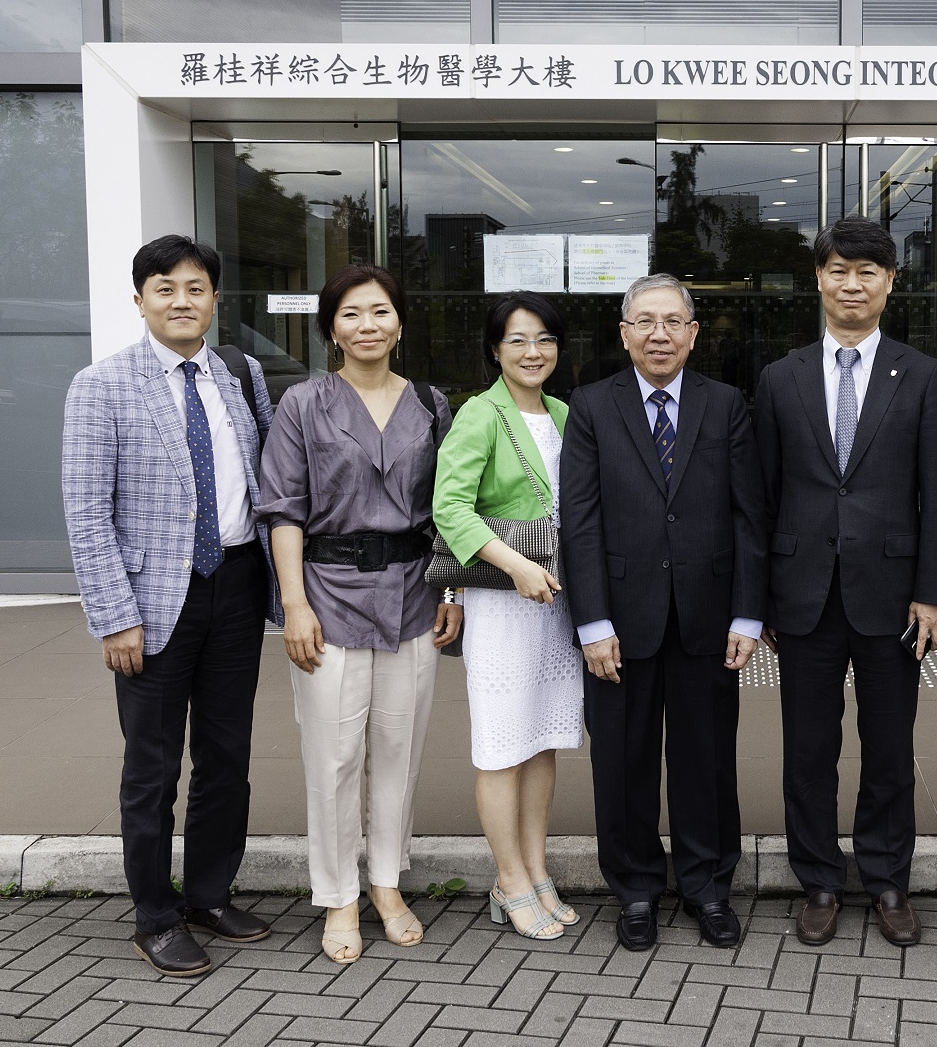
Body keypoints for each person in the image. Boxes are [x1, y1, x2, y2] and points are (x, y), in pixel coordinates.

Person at [61, 235, 281, 977]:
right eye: (165, 288)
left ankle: (209, 896)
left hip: (238, 588)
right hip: (153, 603)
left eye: (195, 288)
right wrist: (114, 615)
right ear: (140, 301)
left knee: (227, 757)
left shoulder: (239, 375)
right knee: (151, 768)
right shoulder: (100, 385)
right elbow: (86, 511)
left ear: (215, 299)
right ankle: (154, 915)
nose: (181, 300)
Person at [753, 216, 937, 948]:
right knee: (807, 751)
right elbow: (761, 497)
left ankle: (887, 879)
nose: (851, 284)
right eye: (838, 270)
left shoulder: (924, 376)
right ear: (818, 279)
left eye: (867, 271)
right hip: (802, 595)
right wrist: (759, 601)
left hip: (894, 597)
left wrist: (935, 594)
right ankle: (817, 878)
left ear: (890, 282)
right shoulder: (781, 377)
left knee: (889, 751)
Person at [258, 265, 462, 964]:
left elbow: (451, 514)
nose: (366, 325)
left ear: (400, 322)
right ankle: (338, 895)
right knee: (335, 757)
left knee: (399, 754)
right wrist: (293, 603)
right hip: (328, 593)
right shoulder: (303, 405)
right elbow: (282, 509)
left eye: (379, 311)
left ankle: (385, 884)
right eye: (351, 314)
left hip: (412, 595)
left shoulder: (434, 405)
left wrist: (452, 593)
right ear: (330, 328)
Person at [560, 273, 766, 952]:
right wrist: (591, 622)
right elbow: (580, 523)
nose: (659, 334)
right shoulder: (590, 406)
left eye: (673, 321)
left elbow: (747, 517)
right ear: (623, 333)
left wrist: (746, 614)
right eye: (644, 322)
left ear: (693, 332)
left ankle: (707, 886)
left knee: (706, 760)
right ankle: (638, 888)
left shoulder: (728, 403)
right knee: (622, 763)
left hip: (709, 618)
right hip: (618, 621)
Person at [433, 293, 585, 941]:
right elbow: (449, 506)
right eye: (518, 340)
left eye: (544, 339)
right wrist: (515, 567)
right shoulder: (479, 413)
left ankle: (535, 868)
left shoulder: (563, 414)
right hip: (502, 602)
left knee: (541, 739)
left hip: (555, 605)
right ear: (495, 349)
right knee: (500, 747)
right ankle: (508, 878)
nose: (533, 351)